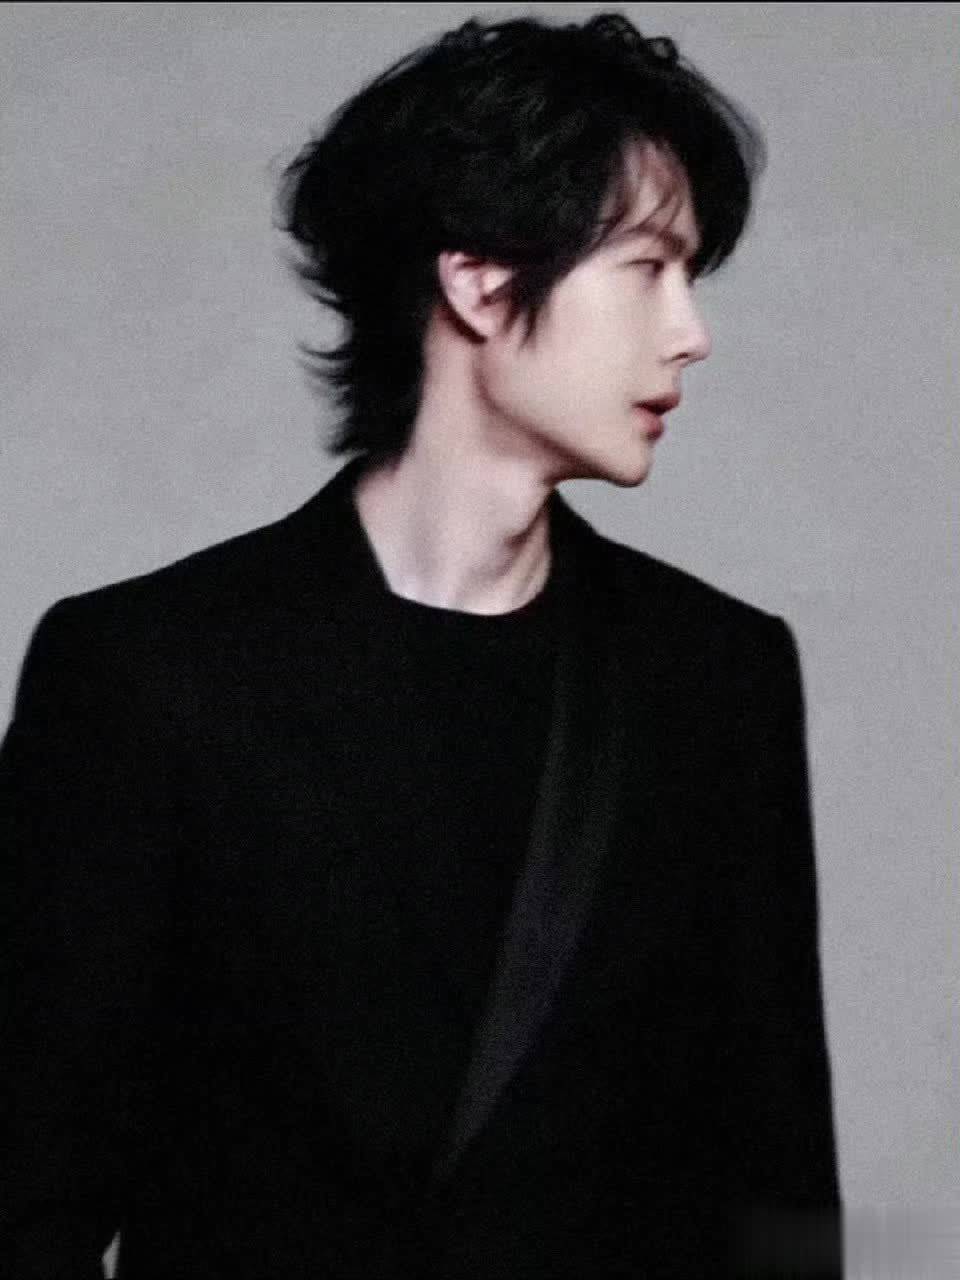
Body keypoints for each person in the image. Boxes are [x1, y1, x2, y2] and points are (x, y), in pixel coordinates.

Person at [0, 12, 843, 1278]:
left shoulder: (717, 674)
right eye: (646, 268)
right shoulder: (143, 674)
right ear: (479, 280)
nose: (690, 332)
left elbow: (779, 1184)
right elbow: (28, 1190)